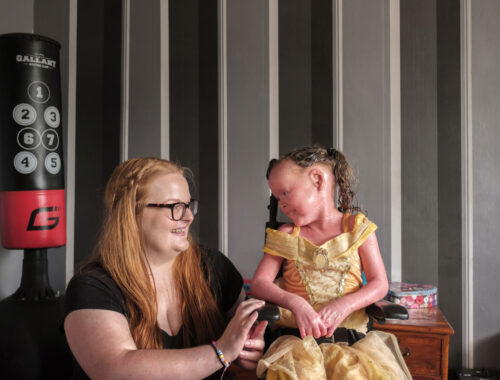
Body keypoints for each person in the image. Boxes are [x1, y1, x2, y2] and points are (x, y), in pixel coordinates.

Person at [64, 157, 268, 380]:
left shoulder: (212, 266)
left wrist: (250, 348)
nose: (188, 217)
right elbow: (115, 369)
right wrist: (220, 353)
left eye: (189, 205)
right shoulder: (93, 286)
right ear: (131, 213)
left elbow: (245, 337)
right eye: (175, 207)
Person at [251, 146, 411, 379]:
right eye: (277, 198)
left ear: (317, 179)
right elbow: (259, 284)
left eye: (285, 193)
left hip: (351, 343)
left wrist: (344, 305)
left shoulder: (357, 229)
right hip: (298, 344)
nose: (282, 204)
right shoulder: (287, 234)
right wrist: (295, 303)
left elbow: (379, 284)